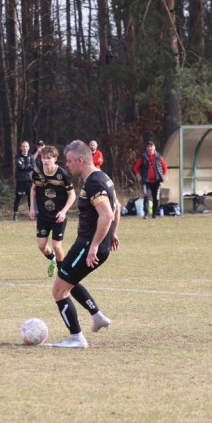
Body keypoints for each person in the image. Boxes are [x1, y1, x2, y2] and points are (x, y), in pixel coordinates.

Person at [48, 140, 119, 348]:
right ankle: (97, 316)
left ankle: (76, 338)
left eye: (69, 161)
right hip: (93, 243)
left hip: (87, 245)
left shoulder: (93, 182)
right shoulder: (104, 177)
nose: (67, 165)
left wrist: (95, 245)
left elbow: (107, 214)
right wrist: (113, 233)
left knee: (59, 290)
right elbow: (116, 207)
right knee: (68, 278)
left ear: (80, 160)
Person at [29, 145, 76, 277]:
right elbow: (33, 189)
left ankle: (62, 272)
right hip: (43, 215)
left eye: (48, 158)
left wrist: (63, 211)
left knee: (56, 246)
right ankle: (54, 259)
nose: (45, 160)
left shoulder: (62, 174)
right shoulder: (37, 172)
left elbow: (72, 195)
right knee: (41, 246)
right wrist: (32, 208)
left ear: (55, 158)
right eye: (43, 158)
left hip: (58, 216)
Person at [134, 140, 167, 219]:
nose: (150, 148)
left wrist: (163, 176)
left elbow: (165, 167)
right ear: (146, 148)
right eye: (148, 147)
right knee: (146, 197)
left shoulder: (159, 157)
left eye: (151, 146)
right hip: (146, 181)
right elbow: (136, 167)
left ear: (154, 147)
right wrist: (138, 174)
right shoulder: (143, 157)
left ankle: (154, 214)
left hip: (156, 181)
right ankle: (146, 213)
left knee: (156, 198)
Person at [13, 141, 36, 221]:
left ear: (28, 147)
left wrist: (25, 166)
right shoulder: (18, 156)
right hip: (21, 180)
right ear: (21, 147)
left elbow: (34, 166)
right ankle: (15, 215)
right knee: (18, 198)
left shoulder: (31, 156)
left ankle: (31, 215)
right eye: (23, 146)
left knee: (31, 198)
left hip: (30, 180)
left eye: (26, 146)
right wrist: (28, 166)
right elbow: (20, 166)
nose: (25, 148)